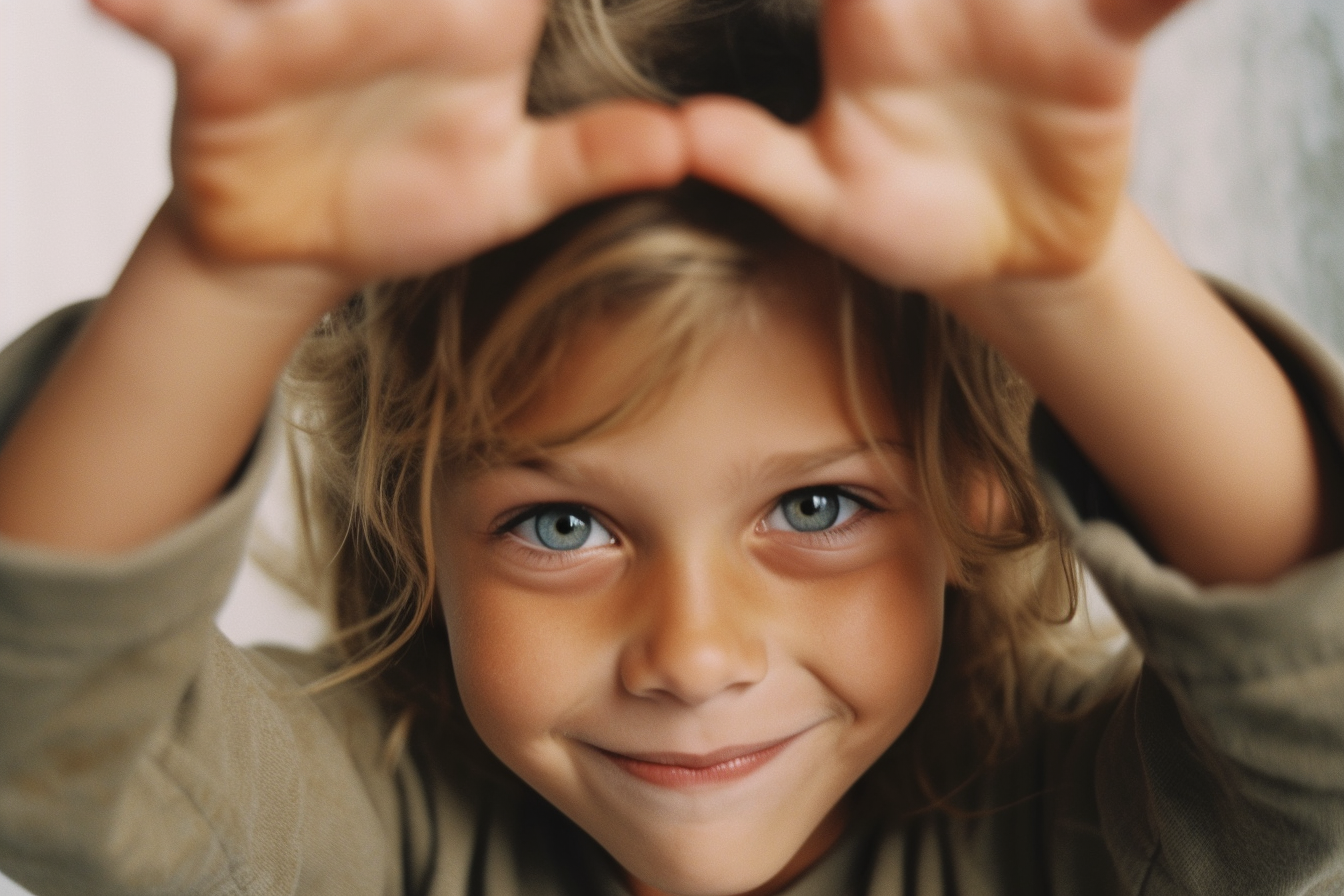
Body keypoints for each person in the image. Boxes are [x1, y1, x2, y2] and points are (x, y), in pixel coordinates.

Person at [0, 0, 1340, 894]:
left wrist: (1075, 279)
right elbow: (48, 729)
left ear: (971, 483)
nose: (695, 657)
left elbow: (1316, 712)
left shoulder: (1082, 839)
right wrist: (232, 272)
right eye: (563, 525)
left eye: (816, 507)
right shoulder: (375, 829)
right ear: (414, 508)